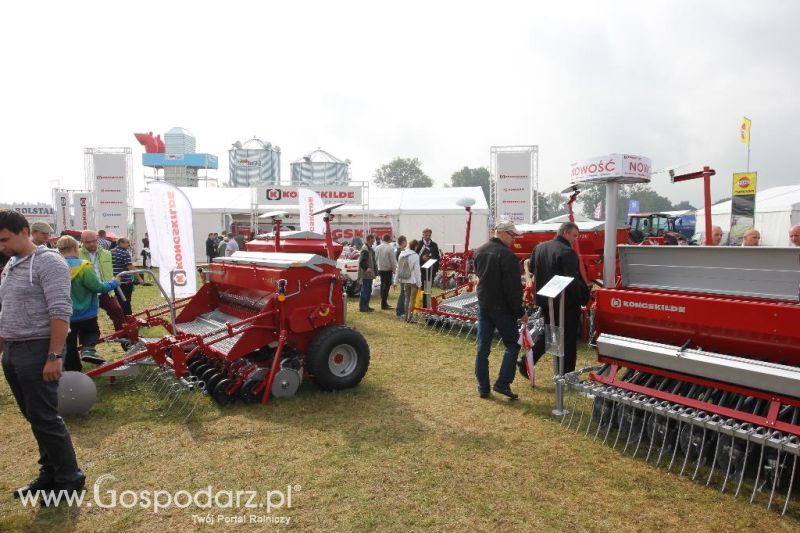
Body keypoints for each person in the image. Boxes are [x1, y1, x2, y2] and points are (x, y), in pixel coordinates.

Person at [0, 209, 86, 501]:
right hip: (13, 351)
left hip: (37, 350)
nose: (2, 246)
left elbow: (61, 310)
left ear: (25, 231)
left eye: (5, 239)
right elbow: (7, 309)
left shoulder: (49, 262)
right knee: (34, 417)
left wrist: (54, 355)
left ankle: (70, 479)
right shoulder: (12, 264)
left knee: (45, 417)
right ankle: (49, 474)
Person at [526, 222, 590, 376]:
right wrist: (582, 299)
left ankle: (527, 361)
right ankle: (566, 374)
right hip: (565, 303)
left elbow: (533, 268)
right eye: (574, 236)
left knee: (551, 333)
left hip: (546, 300)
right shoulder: (567, 252)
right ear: (565, 233)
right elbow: (572, 280)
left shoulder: (539, 248)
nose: (575, 240)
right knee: (567, 338)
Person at [474, 221, 526, 400]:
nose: (514, 239)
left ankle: (483, 387)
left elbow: (479, 276)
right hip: (502, 308)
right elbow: (513, 289)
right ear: (503, 233)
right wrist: (520, 312)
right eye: (512, 235)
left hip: (484, 305)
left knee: (483, 349)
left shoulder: (479, 251)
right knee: (512, 345)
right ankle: (503, 383)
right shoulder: (507, 256)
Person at [57, 236, 121, 370]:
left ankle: (73, 370)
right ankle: (88, 350)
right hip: (86, 311)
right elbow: (97, 287)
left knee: (69, 343)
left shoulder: (55, 266)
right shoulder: (84, 266)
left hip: (65, 313)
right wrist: (114, 283)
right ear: (76, 248)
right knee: (92, 333)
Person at [79, 230, 126, 333]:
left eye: (94, 241)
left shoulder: (106, 253)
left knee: (117, 311)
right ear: (82, 241)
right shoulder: (77, 255)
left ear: (98, 239)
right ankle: (87, 345)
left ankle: (125, 338)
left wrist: (113, 282)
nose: (92, 244)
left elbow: (110, 270)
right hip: (87, 292)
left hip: (106, 289)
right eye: (88, 242)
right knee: (88, 319)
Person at [110, 237, 142, 317]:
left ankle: (120, 318)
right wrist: (139, 278)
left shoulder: (110, 252)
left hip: (115, 282)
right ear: (120, 243)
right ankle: (128, 320)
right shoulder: (125, 253)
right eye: (127, 242)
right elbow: (130, 267)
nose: (129, 244)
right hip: (125, 282)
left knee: (118, 302)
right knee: (126, 301)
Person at [396, 238, 422, 322]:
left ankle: (406, 317)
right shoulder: (415, 256)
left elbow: (398, 268)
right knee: (412, 300)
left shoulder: (402, 254)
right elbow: (417, 271)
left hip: (404, 280)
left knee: (406, 299)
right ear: (416, 246)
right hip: (413, 280)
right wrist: (419, 283)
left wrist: (395, 281)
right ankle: (410, 318)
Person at [375, 234, 397, 310]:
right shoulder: (390, 248)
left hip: (380, 269)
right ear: (389, 240)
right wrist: (395, 270)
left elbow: (375, 258)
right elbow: (393, 261)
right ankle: (384, 303)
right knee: (386, 287)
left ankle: (383, 302)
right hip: (388, 269)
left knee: (382, 286)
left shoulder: (377, 247)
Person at [358, 234, 377, 312]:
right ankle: (363, 307)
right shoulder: (365, 249)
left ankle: (366, 306)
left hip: (369, 274)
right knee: (365, 291)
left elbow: (372, 261)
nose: (374, 241)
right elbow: (362, 261)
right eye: (373, 239)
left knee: (368, 290)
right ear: (369, 239)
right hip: (366, 274)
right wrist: (367, 268)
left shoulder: (369, 249)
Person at [394, 236, 408, 320]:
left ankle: (402, 311)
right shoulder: (401, 252)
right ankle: (399, 312)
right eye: (406, 241)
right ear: (403, 242)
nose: (407, 243)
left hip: (402, 275)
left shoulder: (399, 251)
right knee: (403, 294)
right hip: (403, 276)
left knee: (403, 294)